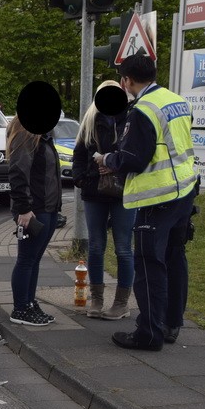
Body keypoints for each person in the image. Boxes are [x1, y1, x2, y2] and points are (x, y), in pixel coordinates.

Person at [95, 55, 198, 351]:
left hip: (158, 195)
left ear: (126, 81)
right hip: (184, 189)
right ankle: (170, 322)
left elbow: (135, 159)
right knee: (174, 257)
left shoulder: (142, 110)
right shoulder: (176, 100)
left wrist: (107, 159)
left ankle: (148, 333)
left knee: (149, 263)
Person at [72, 80, 136, 320]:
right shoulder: (90, 122)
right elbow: (79, 155)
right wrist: (81, 179)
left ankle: (121, 303)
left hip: (123, 192)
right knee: (96, 247)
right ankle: (97, 300)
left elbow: (136, 154)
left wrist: (113, 164)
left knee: (123, 248)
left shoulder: (130, 119)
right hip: (94, 191)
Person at [6, 115, 62, 326]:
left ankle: (28, 303)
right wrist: (24, 208)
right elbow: (18, 172)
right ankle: (20, 308)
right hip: (34, 209)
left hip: (46, 207)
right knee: (27, 259)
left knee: (34, 259)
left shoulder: (43, 137)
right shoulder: (26, 135)